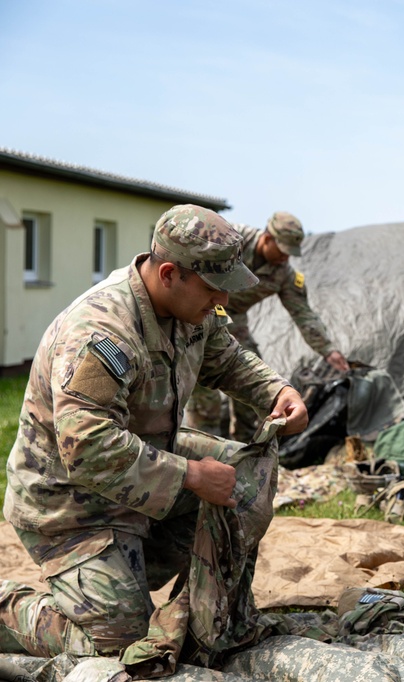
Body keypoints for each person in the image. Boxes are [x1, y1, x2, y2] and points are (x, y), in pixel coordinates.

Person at [0, 204, 309, 657]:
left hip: (144, 467)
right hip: (70, 505)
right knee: (119, 644)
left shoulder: (192, 309)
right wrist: (191, 476)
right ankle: (16, 607)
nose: (222, 301)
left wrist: (277, 391)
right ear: (169, 274)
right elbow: (87, 447)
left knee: (241, 475)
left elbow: (226, 357)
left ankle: (200, 608)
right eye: (213, 288)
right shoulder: (101, 331)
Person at [183, 211, 348, 443]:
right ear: (268, 238)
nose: (285, 259)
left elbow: (303, 314)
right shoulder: (229, 240)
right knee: (203, 384)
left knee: (251, 378)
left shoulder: (284, 275)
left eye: (290, 254)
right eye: (281, 251)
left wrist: (328, 350)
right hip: (197, 313)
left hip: (235, 322)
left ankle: (243, 446)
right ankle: (203, 447)